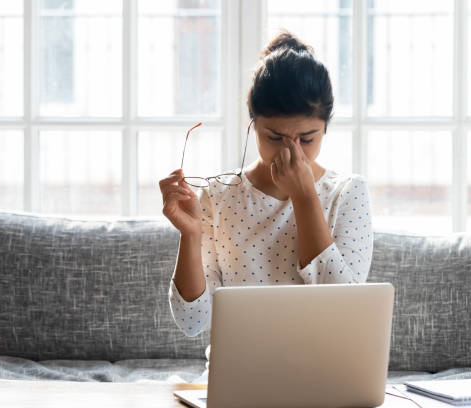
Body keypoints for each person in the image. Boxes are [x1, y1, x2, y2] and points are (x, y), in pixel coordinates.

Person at [159, 30, 373, 383]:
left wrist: (305, 198)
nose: (292, 152)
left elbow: (343, 311)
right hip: (238, 380)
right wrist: (190, 235)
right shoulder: (218, 196)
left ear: (326, 129)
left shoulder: (348, 194)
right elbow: (192, 322)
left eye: (307, 139)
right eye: (274, 137)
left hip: (324, 380)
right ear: (252, 124)